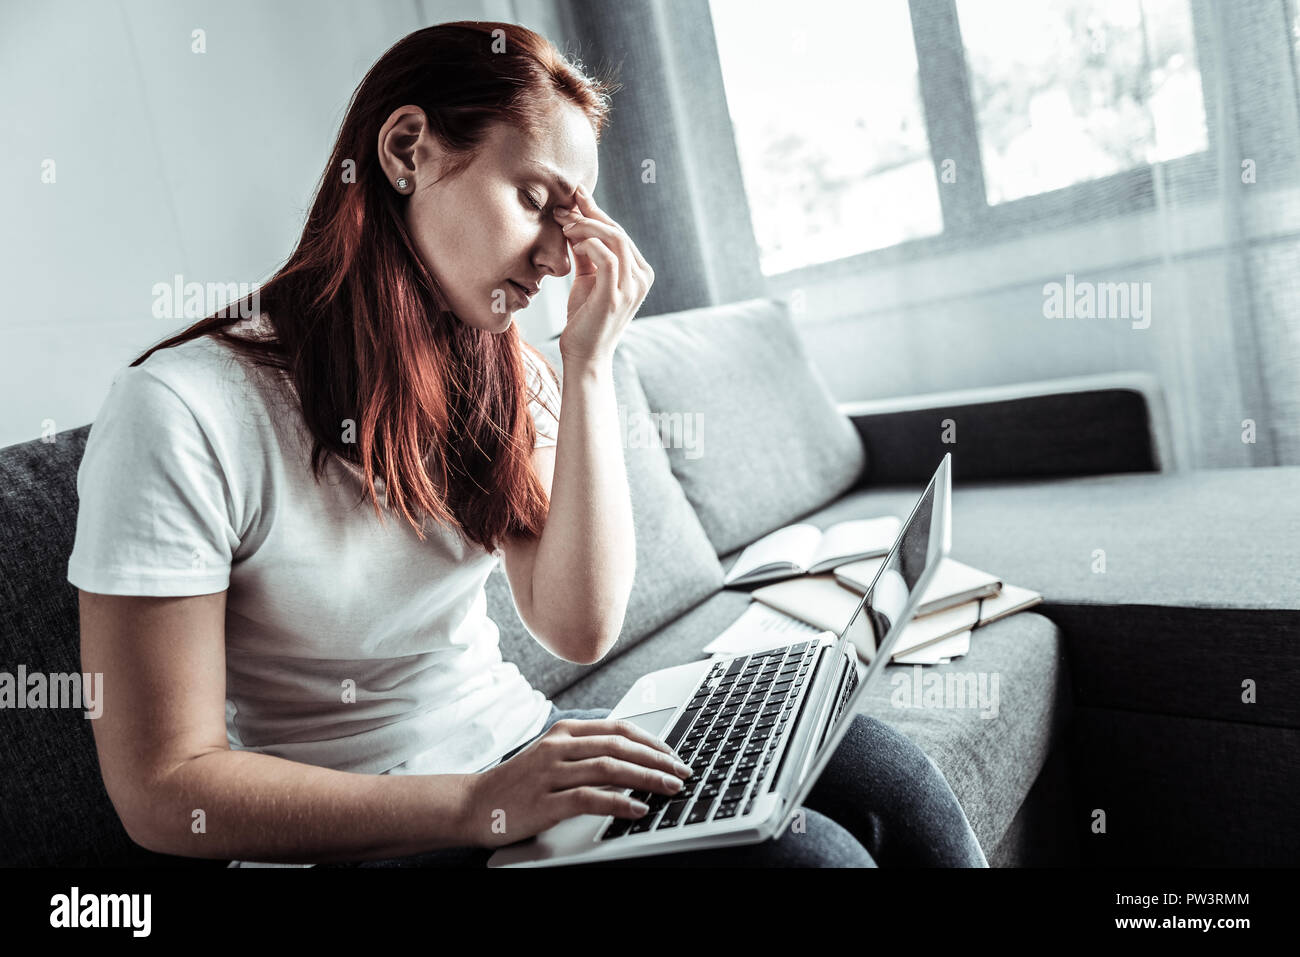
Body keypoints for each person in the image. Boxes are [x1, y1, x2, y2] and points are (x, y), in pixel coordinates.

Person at [69, 21, 986, 869]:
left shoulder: (500, 368)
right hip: (379, 832)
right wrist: (476, 803)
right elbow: (162, 789)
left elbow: (579, 625)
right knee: (810, 859)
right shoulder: (181, 410)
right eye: (535, 200)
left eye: (572, 218)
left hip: (515, 744)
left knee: (880, 772)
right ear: (406, 150)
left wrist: (587, 367)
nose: (556, 257)